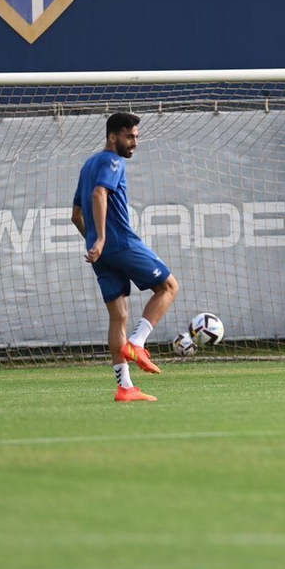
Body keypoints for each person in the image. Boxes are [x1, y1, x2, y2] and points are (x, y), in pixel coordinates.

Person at [71, 112, 182, 402]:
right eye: (129, 136)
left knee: (118, 317)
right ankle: (137, 343)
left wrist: (95, 243)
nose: (134, 142)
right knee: (169, 287)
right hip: (121, 243)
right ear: (112, 136)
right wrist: (105, 239)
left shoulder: (87, 164)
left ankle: (125, 387)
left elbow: (75, 216)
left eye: (136, 137)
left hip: (102, 252)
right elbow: (98, 194)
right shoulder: (112, 161)